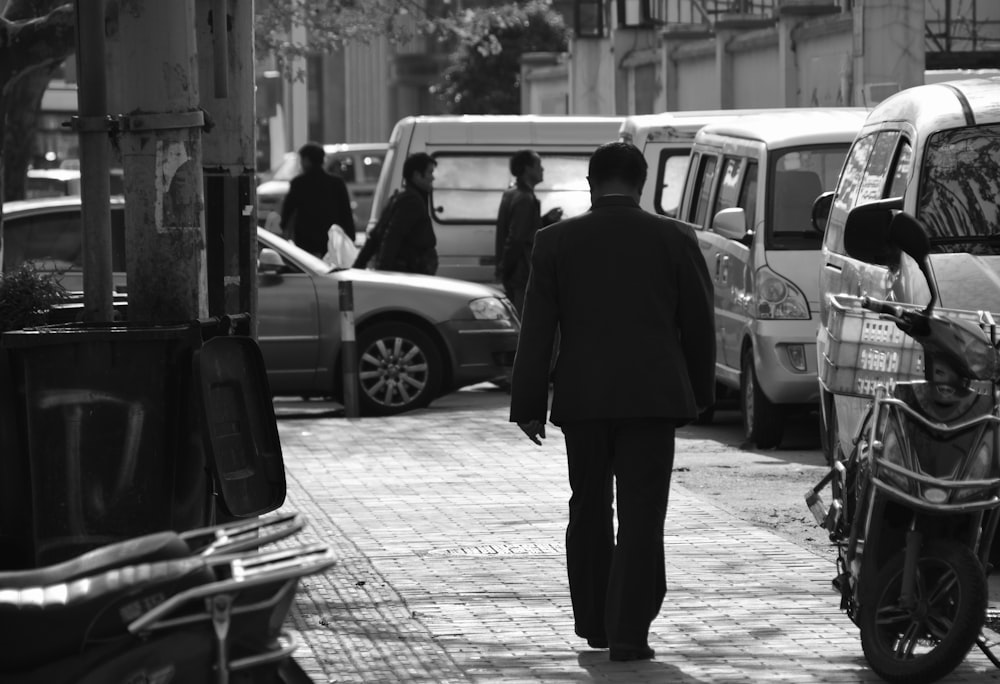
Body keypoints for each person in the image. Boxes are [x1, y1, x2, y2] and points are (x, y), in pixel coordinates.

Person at [508, 141, 715, 662]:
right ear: (643, 185)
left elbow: (537, 330)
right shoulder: (674, 238)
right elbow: (699, 325)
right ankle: (629, 632)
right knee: (643, 515)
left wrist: (529, 402)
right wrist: (698, 395)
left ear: (590, 183)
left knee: (590, 507)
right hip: (652, 397)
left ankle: (596, 621)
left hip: (584, 398)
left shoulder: (555, 242)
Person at [496, 150, 562, 314]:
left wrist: (546, 220)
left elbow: (524, 230)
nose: (542, 169)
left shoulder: (511, 193)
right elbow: (517, 238)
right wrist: (506, 269)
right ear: (527, 169)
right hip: (521, 273)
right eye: (538, 165)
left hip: (515, 274)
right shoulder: (524, 198)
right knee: (523, 322)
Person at [280, 142, 355, 257]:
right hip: (331, 240)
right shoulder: (336, 183)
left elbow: (288, 210)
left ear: (306, 160)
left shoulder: (299, 183)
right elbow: (346, 212)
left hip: (306, 240)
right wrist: (350, 236)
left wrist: (283, 227)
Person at [375, 152, 438, 275]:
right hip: (410, 275)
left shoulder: (401, 197)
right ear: (417, 175)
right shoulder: (412, 202)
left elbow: (376, 235)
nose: (432, 178)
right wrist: (383, 274)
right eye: (429, 173)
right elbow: (392, 237)